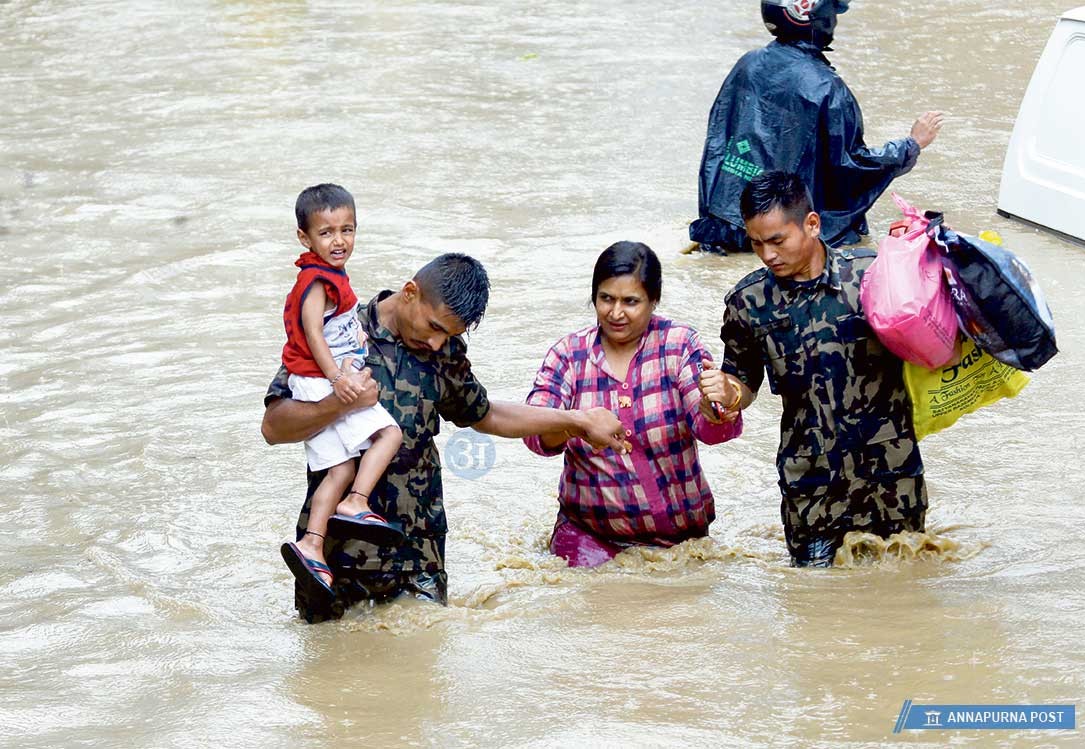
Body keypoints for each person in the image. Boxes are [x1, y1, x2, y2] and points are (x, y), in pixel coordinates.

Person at [262, 252, 628, 622]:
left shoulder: (445, 351)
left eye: (449, 335)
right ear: (410, 293)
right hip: (329, 561)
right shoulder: (336, 331)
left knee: (424, 670)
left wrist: (575, 420)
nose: (437, 344)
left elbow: (486, 415)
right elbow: (274, 427)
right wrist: (339, 404)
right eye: (434, 327)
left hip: (418, 558)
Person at [700, 171, 926, 566]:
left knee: (903, 599)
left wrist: (920, 254)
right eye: (756, 243)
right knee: (812, 608)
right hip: (812, 489)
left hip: (891, 479)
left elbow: (930, 331)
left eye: (777, 240)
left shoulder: (873, 275)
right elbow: (743, 382)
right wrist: (725, 395)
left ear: (812, 224)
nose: (767, 254)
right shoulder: (748, 302)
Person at [524, 241, 743, 566]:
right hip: (590, 538)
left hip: (683, 542)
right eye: (606, 299)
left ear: (653, 301)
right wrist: (578, 424)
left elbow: (710, 429)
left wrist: (718, 404)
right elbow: (535, 434)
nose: (615, 312)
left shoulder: (679, 345)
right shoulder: (569, 356)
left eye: (631, 302)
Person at [689, 0, 944, 254]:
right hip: (782, 234)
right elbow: (852, 167)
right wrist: (911, 144)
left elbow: (718, 144)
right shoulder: (827, 87)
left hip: (722, 225)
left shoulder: (747, 64)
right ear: (816, 18)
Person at [278, 183, 405, 605]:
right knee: (389, 435)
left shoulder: (329, 276)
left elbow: (334, 332)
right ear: (305, 238)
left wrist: (347, 363)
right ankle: (356, 503)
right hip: (321, 383)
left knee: (339, 467)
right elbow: (313, 331)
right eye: (327, 233)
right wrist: (338, 378)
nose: (339, 241)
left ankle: (312, 544)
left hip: (318, 379)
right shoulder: (315, 281)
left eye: (347, 230)